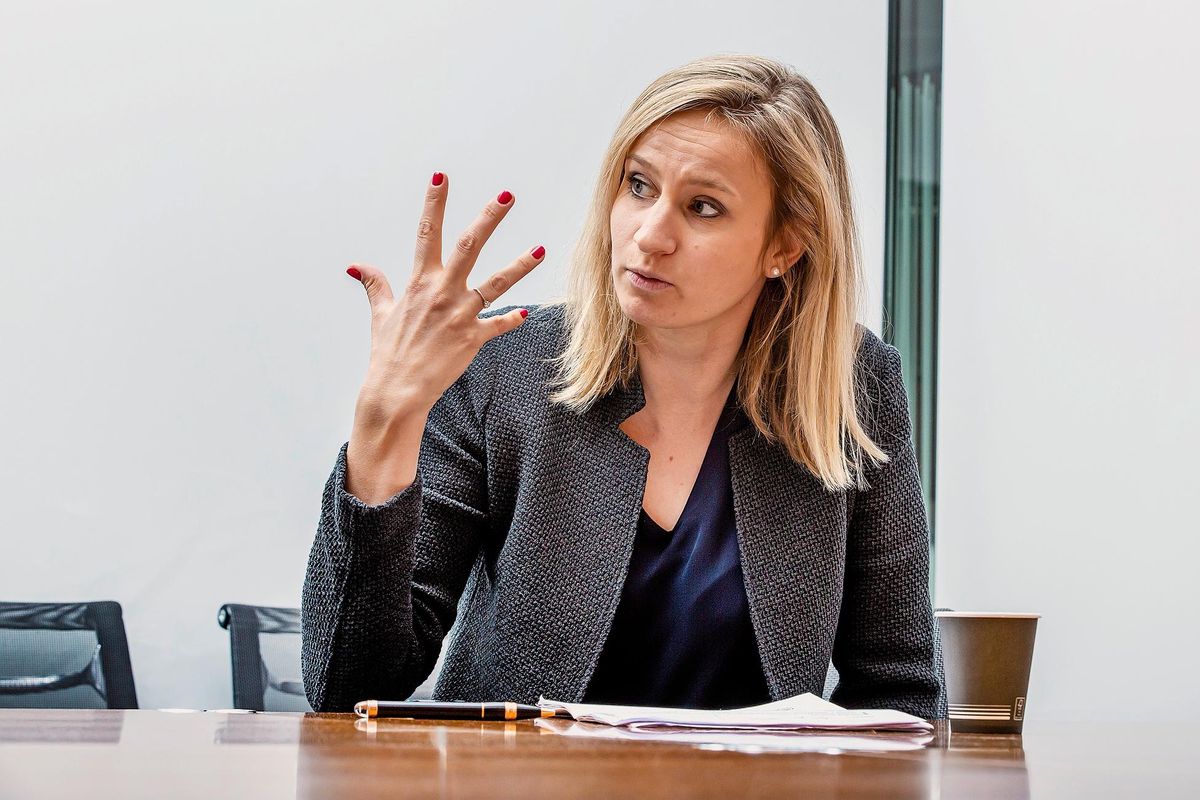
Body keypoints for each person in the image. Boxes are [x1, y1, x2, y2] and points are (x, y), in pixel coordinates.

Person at [301, 53, 945, 717]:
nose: (650, 234)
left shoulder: (855, 386)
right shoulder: (504, 367)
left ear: (785, 246)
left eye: (703, 207)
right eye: (638, 187)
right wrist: (384, 417)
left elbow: (902, 694)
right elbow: (348, 685)